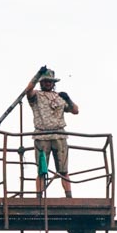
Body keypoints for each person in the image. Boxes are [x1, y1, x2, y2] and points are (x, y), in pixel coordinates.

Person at [23, 65, 79, 196]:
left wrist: (68, 99)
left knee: (63, 170)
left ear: (53, 83)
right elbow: (28, 90)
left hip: (59, 136)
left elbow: (75, 110)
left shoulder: (59, 97)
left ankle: (69, 196)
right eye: (45, 81)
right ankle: (39, 197)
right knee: (42, 170)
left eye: (50, 81)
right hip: (42, 136)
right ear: (41, 82)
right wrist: (37, 75)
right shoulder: (36, 95)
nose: (48, 83)